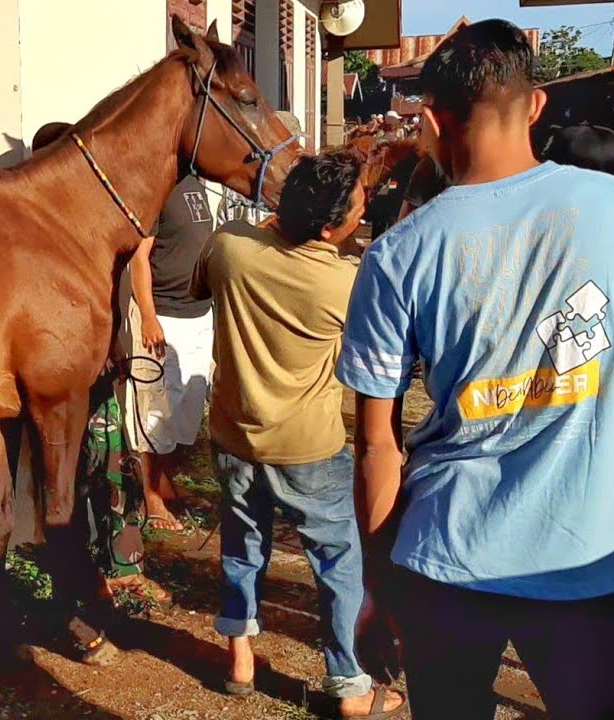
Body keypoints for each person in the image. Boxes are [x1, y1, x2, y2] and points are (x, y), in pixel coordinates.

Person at [338, 19, 614, 720]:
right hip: (584, 561)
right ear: (535, 106)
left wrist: (378, 589)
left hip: (444, 560)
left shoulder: (399, 252)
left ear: (431, 120)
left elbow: (377, 446)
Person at [191, 149, 406, 719]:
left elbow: (195, 289)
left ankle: (239, 656)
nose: (363, 217)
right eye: (359, 209)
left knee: (242, 548)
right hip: (309, 446)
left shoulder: (230, 244)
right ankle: (349, 683)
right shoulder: (347, 281)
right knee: (337, 564)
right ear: (332, 227)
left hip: (235, 437)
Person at [30, 122, 172, 610]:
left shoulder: (98, 221)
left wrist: (130, 336)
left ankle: (125, 569)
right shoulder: (28, 232)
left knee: (114, 468)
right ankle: (78, 581)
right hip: (52, 383)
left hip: (103, 369)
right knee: (64, 480)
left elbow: (136, 260)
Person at [122, 175, 215, 531]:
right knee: (156, 409)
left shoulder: (197, 182)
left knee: (186, 406)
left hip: (198, 312)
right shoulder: (157, 188)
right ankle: (151, 496)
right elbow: (140, 258)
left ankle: (165, 481)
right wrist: (147, 316)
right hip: (163, 314)